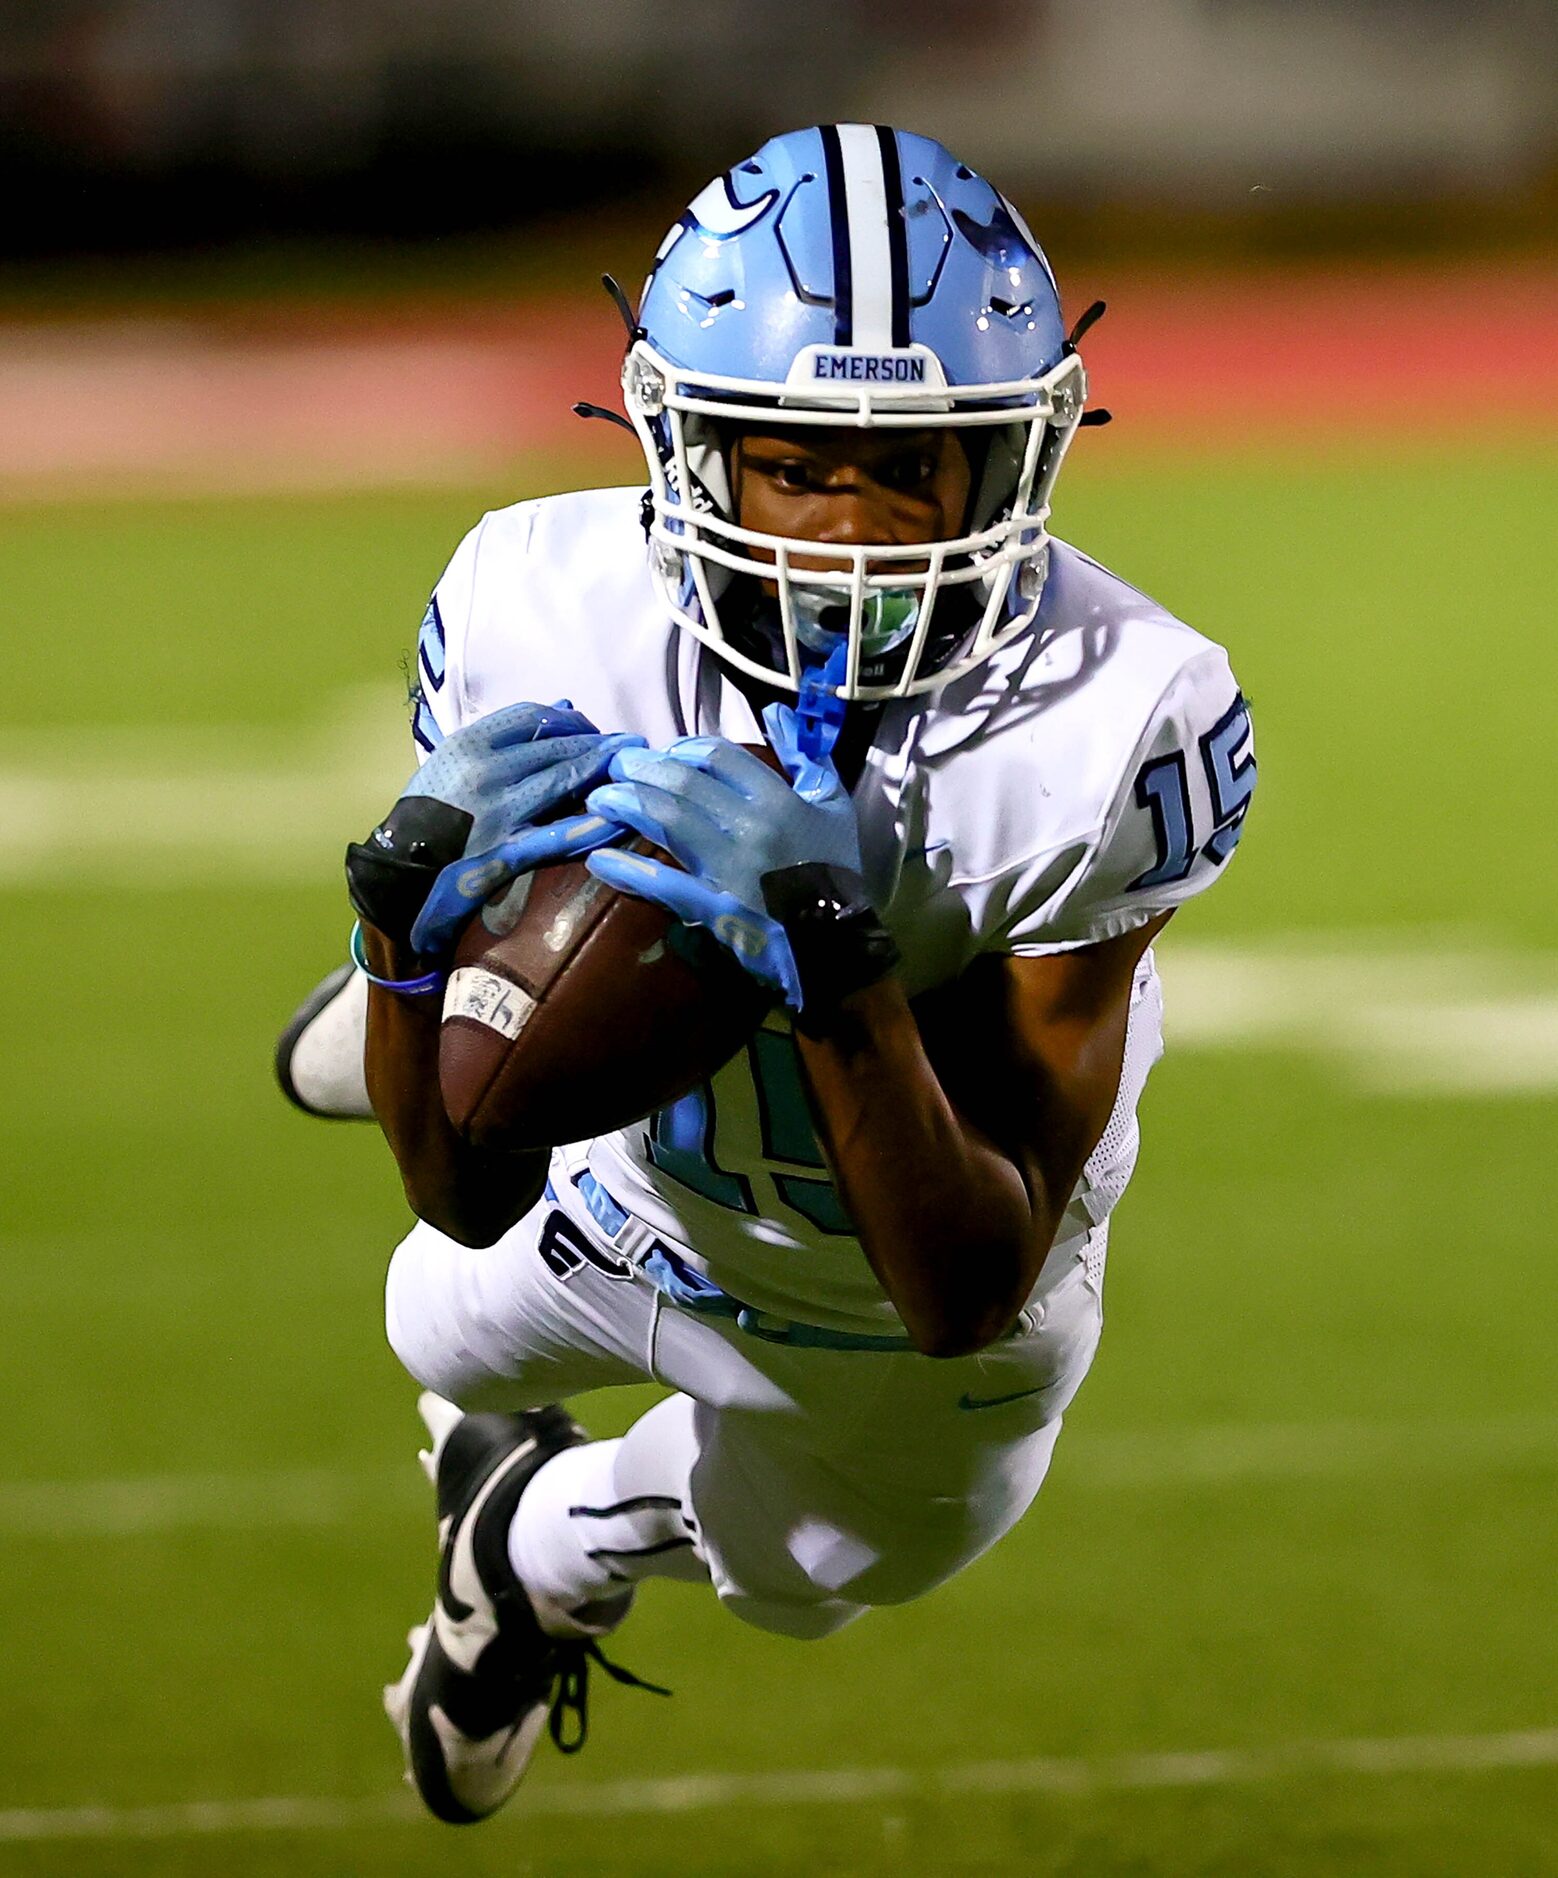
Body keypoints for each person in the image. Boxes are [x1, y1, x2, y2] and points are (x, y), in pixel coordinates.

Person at [278, 124, 1256, 1827]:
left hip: (896, 1304)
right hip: (629, 1184)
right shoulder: (533, 595)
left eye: (915, 468)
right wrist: (397, 943)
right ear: (684, 448)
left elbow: (969, 1280)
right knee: (429, 1309)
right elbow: (459, 1189)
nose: (856, 536)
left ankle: (524, 1543)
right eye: (797, 464)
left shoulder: (1119, 720)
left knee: (811, 1576)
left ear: (1011, 461)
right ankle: (463, 994)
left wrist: (835, 966)